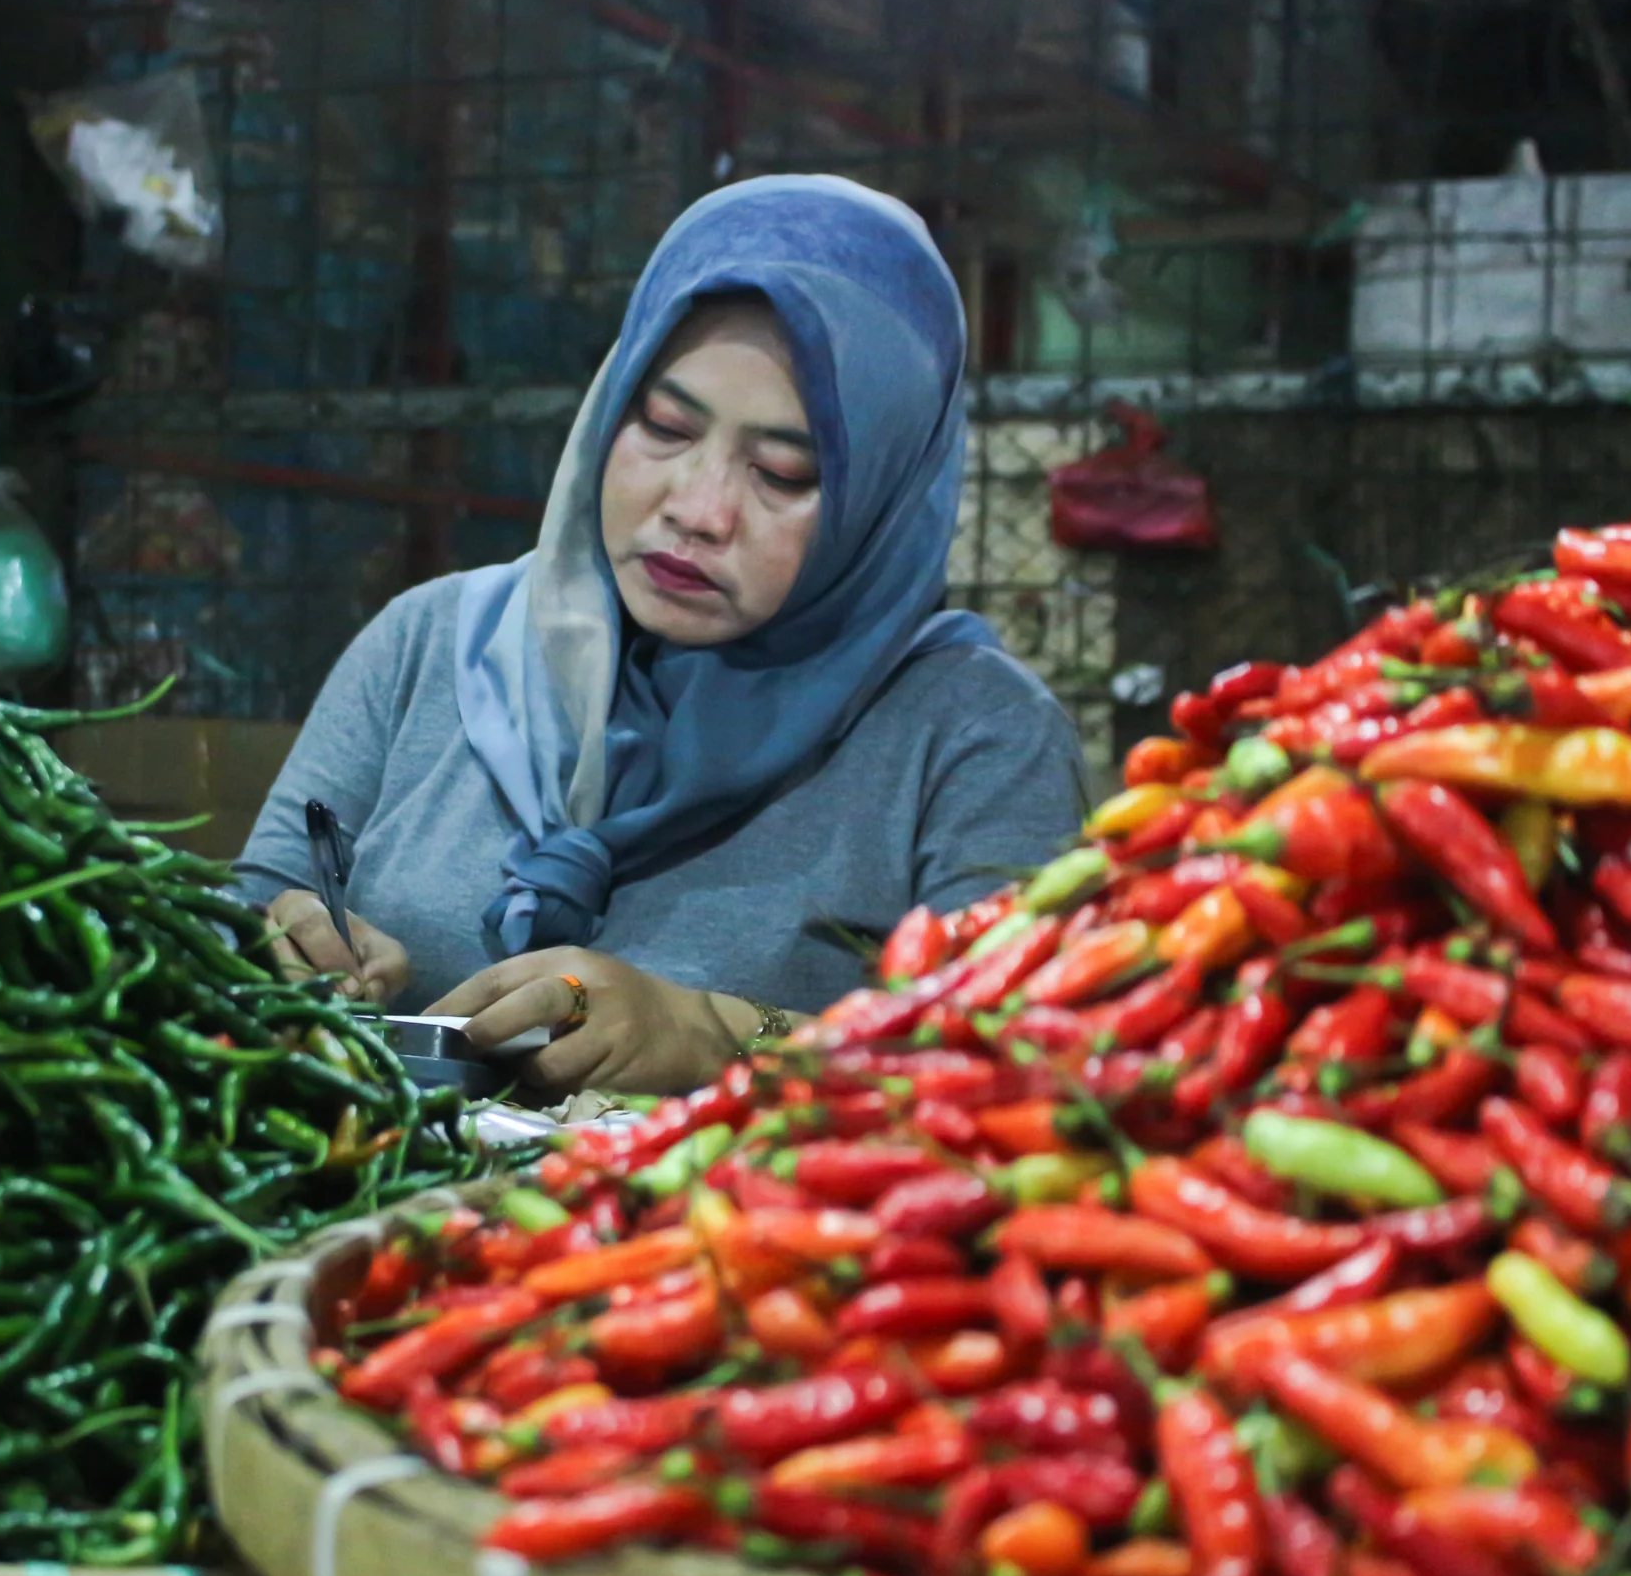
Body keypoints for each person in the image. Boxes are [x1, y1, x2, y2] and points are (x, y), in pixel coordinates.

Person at [233, 175, 1089, 1097]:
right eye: (667, 426)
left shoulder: (972, 735)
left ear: (881, 495)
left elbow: (1025, 1072)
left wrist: (715, 1033)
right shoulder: (429, 645)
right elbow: (247, 917)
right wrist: (279, 940)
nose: (698, 509)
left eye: (782, 472)